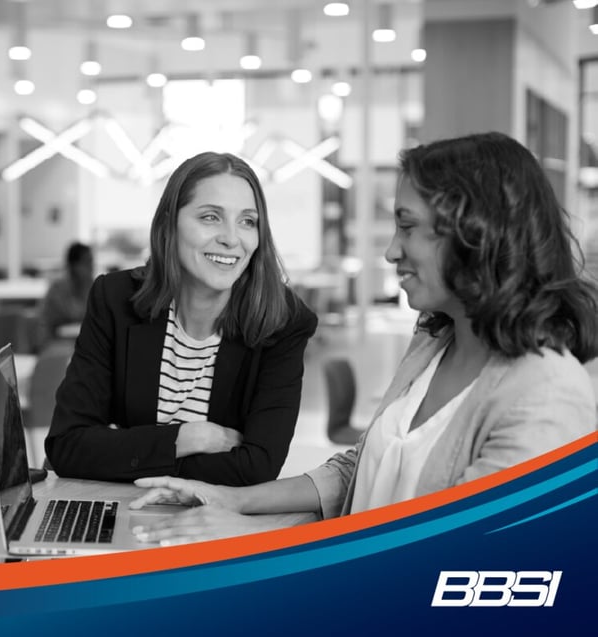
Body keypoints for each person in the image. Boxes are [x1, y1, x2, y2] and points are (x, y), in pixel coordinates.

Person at [128, 132, 598, 545]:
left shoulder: (547, 399)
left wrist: (258, 536)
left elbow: (456, 559)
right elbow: (365, 470)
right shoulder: (436, 339)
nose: (392, 251)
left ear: (478, 235)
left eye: (407, 226)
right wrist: (231, 500)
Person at [44, 152, 318, 486]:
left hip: (214, 521)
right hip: (120, 511)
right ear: (168, 224)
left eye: (248, 221)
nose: (232, 239)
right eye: (210, 217)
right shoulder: (115, 300)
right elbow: (68, 445)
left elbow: (256, 466)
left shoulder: (283, 321)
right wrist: (186, 439)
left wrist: (125, 453)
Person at [37, 242, 94, 346]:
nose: (91, 267)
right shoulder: (57, 290)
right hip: (58, 344)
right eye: (86, 262)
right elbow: (47, 326)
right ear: (73, 265)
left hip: (86, 344)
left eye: (91, 261)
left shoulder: (93, 288)